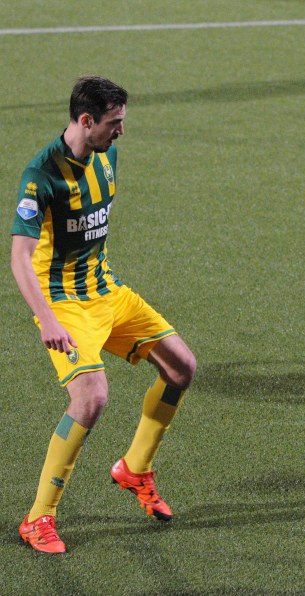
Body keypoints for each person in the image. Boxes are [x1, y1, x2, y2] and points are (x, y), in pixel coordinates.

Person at [11, 76, 196, 554]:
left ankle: (135, 468)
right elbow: (19, 257)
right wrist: (48, 320)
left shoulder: (105, 155)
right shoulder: (41, 175)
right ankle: (38, 518)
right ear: (86, 120)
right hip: (66, 304)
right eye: (114, 124)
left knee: (182, 367)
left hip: (107, 291)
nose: (121, 133)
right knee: (91, 398)